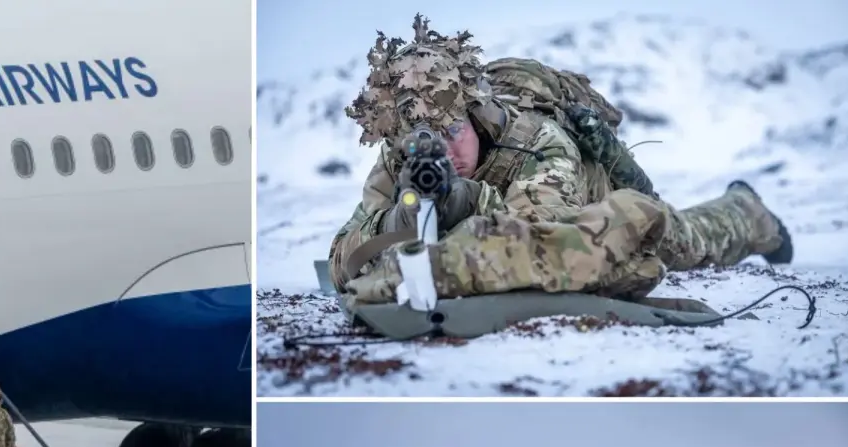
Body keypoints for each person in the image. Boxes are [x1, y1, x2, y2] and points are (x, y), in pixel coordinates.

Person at [330, 15, 793, 317]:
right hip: (514, 227)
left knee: (690, 243)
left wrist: (462, 200)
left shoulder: (535, 142)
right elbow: (341, 261)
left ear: (474, 112)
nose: (444, 155)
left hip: (595, 202)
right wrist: (400, 219)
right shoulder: (399, 161)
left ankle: (750, 211)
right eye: (419, 144)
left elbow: (540, 240)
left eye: (453, 133)